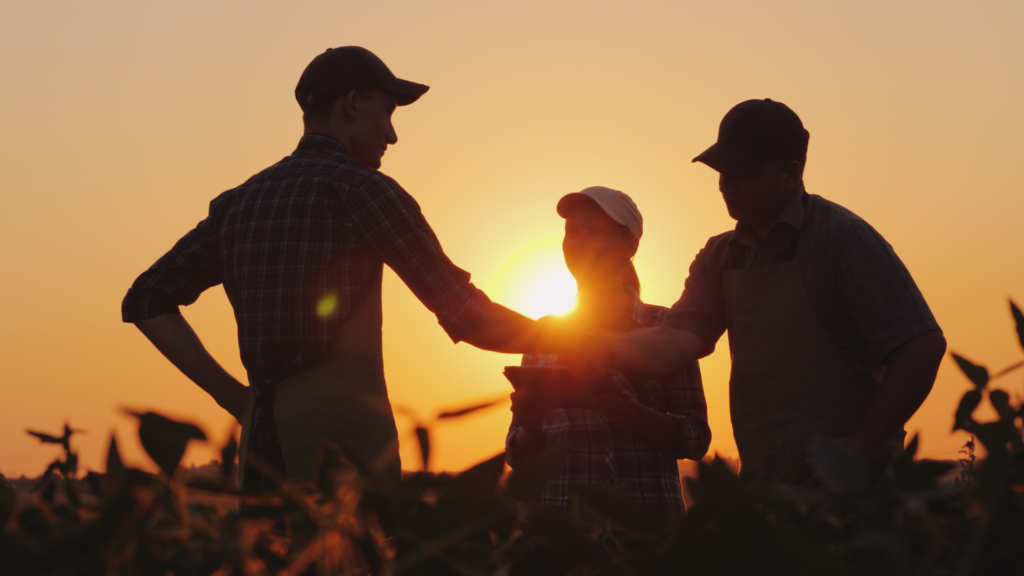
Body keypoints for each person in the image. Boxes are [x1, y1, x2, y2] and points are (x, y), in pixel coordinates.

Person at [122, 47, 548, 488]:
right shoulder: (364, 191)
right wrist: (571, 342)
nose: (393, 134)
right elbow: (468, 316)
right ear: (351, 104)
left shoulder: (237, 204)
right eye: (387, 112)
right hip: (345, 464)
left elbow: (146, 298)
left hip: (262, 456)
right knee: (349, 558)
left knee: (266, 559)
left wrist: (233, 398)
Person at [591, 100, 947, 482]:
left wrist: (863, 447)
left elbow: (922, 347)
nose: (727, 184)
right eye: (721, 170)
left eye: (742, 172)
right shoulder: (721, 257)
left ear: (791, 173)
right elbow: (675, 341)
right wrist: (588, 344)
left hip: (855, 491)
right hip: (767, 485)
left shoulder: (843, 240)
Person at [506, 187, 711, 520]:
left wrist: (636, 416)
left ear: (630, 246)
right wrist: (531, 425)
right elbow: (518, 453)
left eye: (596, 232)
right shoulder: (542, 334)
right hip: (561, 531)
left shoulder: (666, 328)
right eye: (572, 231)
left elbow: (696, 439)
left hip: (646, 530)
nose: (580, 242)